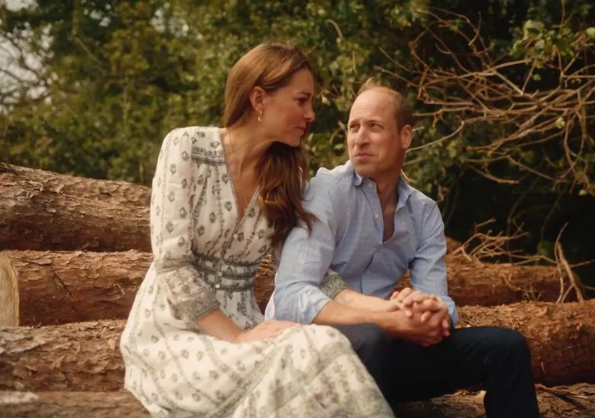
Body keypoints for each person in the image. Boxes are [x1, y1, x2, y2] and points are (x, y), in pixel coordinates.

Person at [120, 44, 393, 418]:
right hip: (170, 333)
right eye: (301, 100)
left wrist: (386, 309)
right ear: (259, 98)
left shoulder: (288, 177)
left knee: (326, 345)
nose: (310, 114)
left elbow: (306, 270)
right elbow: (173, 263)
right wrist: (236, 337)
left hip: (248, 327)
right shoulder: (186, 146)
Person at [266, 80, 541, 418]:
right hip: (311, 356)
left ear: (405, 136)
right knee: (372, 337)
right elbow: (292, 294)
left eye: (374, 126)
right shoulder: (326, 192)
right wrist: (388, 318)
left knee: (506, 347)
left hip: (383, 352)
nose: (359, 138)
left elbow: (438, 298)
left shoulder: (423, 212)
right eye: (353, 127)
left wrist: (432, 312)